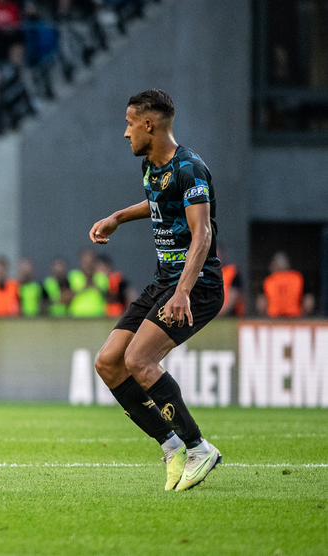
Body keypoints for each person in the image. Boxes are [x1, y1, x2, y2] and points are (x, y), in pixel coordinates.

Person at [89, 89, 223, 491]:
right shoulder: (152, 165)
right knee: (109, 363)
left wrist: (182, 292)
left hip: (196, 286)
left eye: (129, 124)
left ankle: (199, 448)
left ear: (149, 124)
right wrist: (118, 217)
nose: (125, 133)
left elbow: (202, 234)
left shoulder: (191, 169)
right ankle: (171, 446)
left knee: (140, 360)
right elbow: (159, 201)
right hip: (164, 281)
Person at [257, 251, 312, 317]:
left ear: (274, 265)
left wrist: (264, 318)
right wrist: (304, 316)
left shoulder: (269, 280)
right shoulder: (298, 278)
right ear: (288, 265)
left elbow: (261, 305)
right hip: (295, 318)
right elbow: (308, 302)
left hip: (273, 318)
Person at [67, 249, 108, 317]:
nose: (88, 265)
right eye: (85, 262)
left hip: (97, 314)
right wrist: (84, 286)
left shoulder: (101, 277)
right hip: (77, 314)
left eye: (90, 261)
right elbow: (66, 296)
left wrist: (93, 280)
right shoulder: (73, 276)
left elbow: (106, 295)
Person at [216, 244, 244, 317]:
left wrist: (221, 313)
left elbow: (234, 296)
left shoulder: (232, 272)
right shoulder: (207, 273)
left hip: (231, 315)